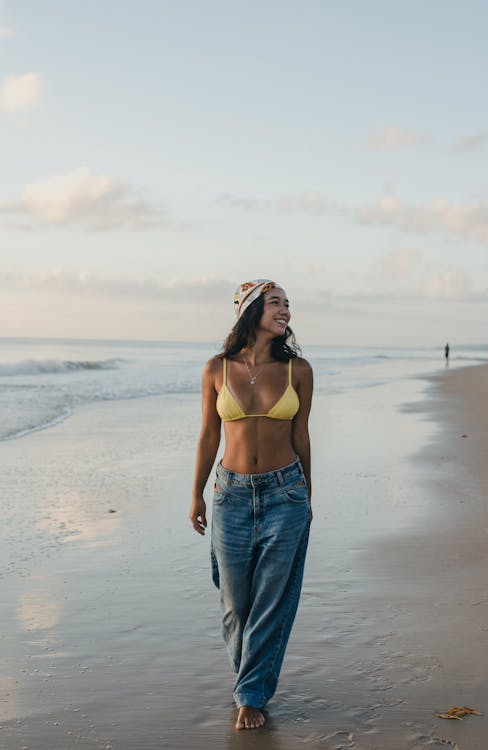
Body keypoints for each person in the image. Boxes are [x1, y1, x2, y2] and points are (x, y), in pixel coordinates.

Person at [189, 279, 313, 731]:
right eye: (276, 303)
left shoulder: (298, 369)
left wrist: (308, 497)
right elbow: (208, 436)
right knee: (234, 602)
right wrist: (196, 493)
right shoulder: (217, 368)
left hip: (286, 494)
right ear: (251, 310)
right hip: (230, 495)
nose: (285, 311)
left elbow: (301, 436)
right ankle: (249, 679)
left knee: (271, 601)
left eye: (287, 304)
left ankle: (251, 694)